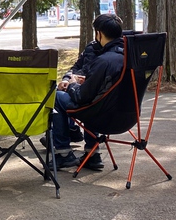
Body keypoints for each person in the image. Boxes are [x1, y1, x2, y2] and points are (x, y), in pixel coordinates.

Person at [50, 13, 125, 170]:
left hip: (98, 110)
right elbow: (86, 73)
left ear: (99, 33)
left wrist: (71, 85)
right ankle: (92, 153)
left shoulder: (103, 61)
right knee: (94, 99)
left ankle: (63, 153)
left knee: (56, 97)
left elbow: (82, 96)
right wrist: (72, 78)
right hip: (125, 113)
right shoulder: (128, 55)